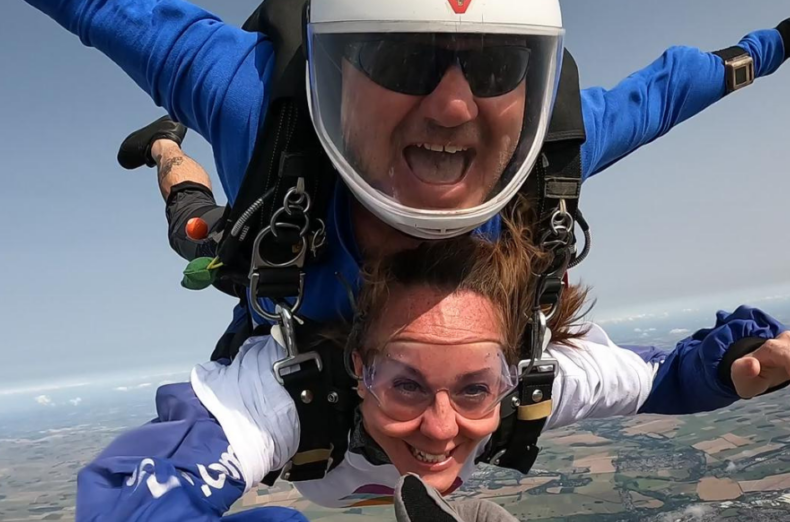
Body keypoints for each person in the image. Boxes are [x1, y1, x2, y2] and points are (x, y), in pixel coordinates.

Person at [23, 0, 790, 325]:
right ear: (334, 67)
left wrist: (779, 42)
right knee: (197, 231)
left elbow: (676, 88)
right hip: (272, 255)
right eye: (400, 57)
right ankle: (166, 144)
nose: (453, 107)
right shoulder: (250, 97)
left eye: (495, 67)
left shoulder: (543, 150)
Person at [76, 212, 790, 520]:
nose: (443, 429)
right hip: (228, 241)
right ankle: (168, 149)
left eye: (476, 388)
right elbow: (134, 501)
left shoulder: (533, 382)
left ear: (510, 374)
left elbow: (664, 375)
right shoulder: (283, 397)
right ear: (358, 369)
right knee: (200, 229)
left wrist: (740, 366)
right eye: (405, 385)